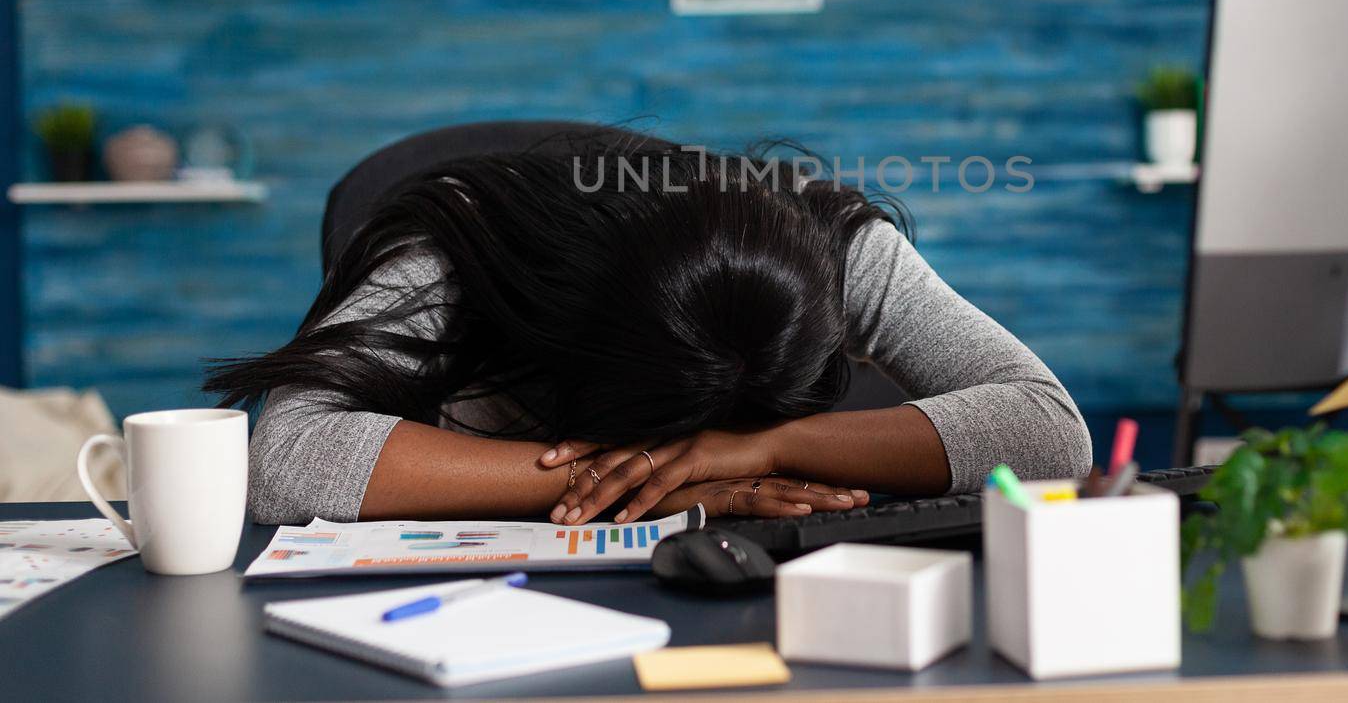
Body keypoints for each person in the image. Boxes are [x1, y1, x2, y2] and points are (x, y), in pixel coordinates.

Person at [205, 128, 1092, 525]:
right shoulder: (465, 244)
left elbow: (1050, 432)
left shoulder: (831, 245)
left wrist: (763, 448)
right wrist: (632, 485)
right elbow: (284, 460)